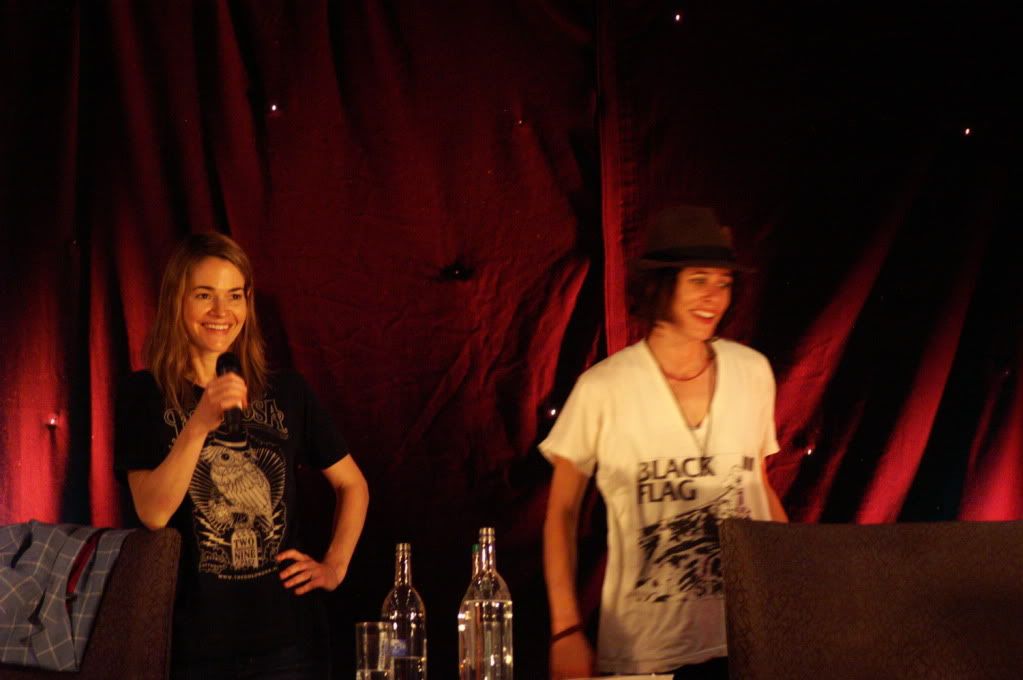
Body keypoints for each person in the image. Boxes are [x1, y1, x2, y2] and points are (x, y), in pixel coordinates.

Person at [541, 206, 787, 680]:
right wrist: (565, 629)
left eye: (724, 283)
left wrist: (796, 595)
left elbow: (758, 488)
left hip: (750, 640)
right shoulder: (604, 388)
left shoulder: (752, 372)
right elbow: (563, 512)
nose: (714, 296)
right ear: (661, 285)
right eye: (698, 280)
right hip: (647, 653)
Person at [114, 232, 370, 679]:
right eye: (204, 295)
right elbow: (153, 512)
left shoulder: (287, 391)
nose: (221, 311)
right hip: (192, 644)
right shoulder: (144, 394)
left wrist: (335, 565)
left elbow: (353, 484)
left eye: (234, 295)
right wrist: (200, 422)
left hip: (290, 644)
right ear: (176, 301)